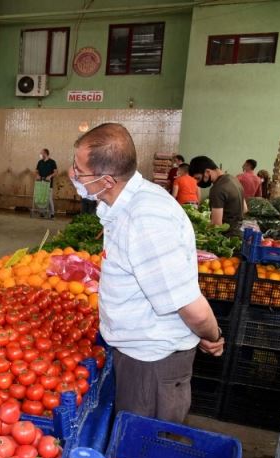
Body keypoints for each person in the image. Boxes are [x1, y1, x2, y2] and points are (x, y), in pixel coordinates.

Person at [71, 123, 224, 423]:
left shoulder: (147, 220)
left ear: (105, 180)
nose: (73, 176)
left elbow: (190, 306)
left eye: (79, 171)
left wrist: (213, 335)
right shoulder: (124, 199)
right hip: (138, 354)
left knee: (143, 450)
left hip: (153, 362)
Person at [189, 156, 246, 237]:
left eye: (198, 178)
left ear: (207, 172)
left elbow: (216, 225)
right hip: (240, 233)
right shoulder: (234, 179)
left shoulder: (217, 188)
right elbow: (245, 209)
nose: (197, 183)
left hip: (226, 237)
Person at [35, 148, 57, 218]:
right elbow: (36, 171)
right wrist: (37, 175)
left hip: (48, 183)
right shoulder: (40, 162)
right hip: (41, 183)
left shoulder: (52, 162)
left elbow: (56, 172)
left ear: (45, 154)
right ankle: (42, 212)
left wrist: (50, 176)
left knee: (49, 198)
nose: (40, 155)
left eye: (41, 153)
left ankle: (52, 213)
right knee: (41, 197)